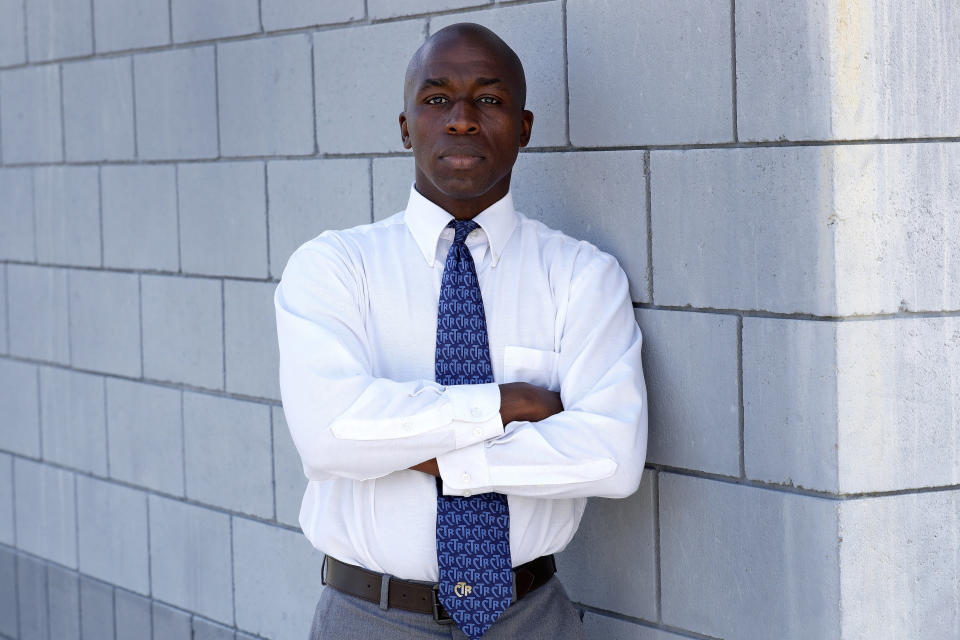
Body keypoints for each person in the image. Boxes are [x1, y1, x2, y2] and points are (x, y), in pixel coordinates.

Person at [275, 22, 648, 640]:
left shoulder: (582, 276)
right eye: (437, 98)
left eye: (490, 100)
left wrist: (421, 450)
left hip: (532, 619)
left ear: (524, 128)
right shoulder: (335, 267)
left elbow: (610, 458)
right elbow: (328, 437)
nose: (463, 119)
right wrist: (507, 405)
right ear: (405, 126)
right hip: (369, 618)